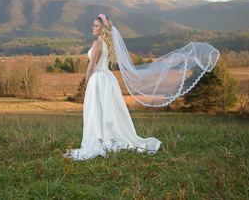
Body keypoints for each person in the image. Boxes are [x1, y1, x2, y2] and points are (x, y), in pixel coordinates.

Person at [65, 14, 219, 160]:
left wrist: (87, 80)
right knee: (108, 108)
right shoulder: (106, 44)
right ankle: (107, 137)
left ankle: (99, 139)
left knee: (96, 109)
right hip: (108, 78)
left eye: (96, 25)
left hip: (98, 78)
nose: (93, 28)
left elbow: (91, 66)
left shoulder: (97, 43)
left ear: (102, 29)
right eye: (93, 25)